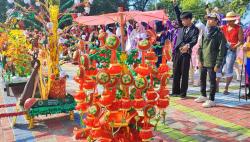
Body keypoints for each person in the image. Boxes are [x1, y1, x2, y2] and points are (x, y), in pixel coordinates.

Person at [195, 13, 226, 108]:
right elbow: (201, 47)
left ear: (217, 21)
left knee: (212, 81)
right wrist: (200, 60)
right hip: (204, 59)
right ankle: (203, 95)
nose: (209, 20)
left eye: (211, 19)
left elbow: (222, 50)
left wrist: (218, 63)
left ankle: (211, 99)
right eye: (208, 18)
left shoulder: (219, 33)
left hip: (212, 61)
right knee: (202, 78)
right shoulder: (205, 32)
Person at [171, 0, 199, 99]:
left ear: (189, 19)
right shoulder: (181, 27)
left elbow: (194, 40)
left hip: (186, 53)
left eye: (184, 20)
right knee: (176, 72)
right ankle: (175, 91)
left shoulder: (195, 29)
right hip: (177, 52)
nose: (182, 21)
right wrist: (175, 6)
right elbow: (178, 15)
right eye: (181, 20)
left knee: (184, 73)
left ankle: (183, 93)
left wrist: (187, 45)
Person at [216, 12, 244, 94]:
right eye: (228, 20)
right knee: (218, 66)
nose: (229, 22)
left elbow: (241, 41)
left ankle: (226, 88)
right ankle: (216, 87)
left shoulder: (239, 28)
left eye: (231, 20)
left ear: (234, 20)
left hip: (231, 50)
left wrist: (234, 47)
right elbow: (213, 28)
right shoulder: (223, 27)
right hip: (222, 49)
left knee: (229, 68)